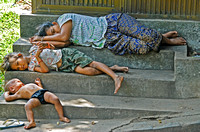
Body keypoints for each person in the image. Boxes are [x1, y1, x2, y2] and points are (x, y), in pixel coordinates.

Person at [29, 13, 186, 55]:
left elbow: (62, 37)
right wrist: (41, 44)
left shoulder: (64, 19)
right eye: (51, 34)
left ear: (55, 24)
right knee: (143, 47)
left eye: (53, 31)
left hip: (112, 22)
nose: (55, 34)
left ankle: (167, 40)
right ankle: (162, 37)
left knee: (146, 35)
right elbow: (63, 43)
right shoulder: (65, 37)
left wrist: (42, 37)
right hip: (110, 40)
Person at [1, 43, 128, 94]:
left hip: (66, 54)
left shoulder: (33, 48)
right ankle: (112, 68)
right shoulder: (31, 67)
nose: (20, 66)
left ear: (19, 55)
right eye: (17, 68)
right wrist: (38, 58)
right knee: (88, 71)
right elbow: (45, 70)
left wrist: (46, 46)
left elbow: (51, 46)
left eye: (18, 63)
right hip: (64, 66)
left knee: (92, 64)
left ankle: (115, 77)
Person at [4, 78, 71, 129]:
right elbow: (8, 98)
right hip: (34, 97)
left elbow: (41, 88)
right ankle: (31, 121)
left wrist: (39, 83)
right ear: (12, 88)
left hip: (42, 92)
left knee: (55, 99)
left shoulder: (27, 85)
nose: (21, 82)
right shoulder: (18, 93)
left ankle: (61, 117)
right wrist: (6, 94)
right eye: (18, 82)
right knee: (27, 106)